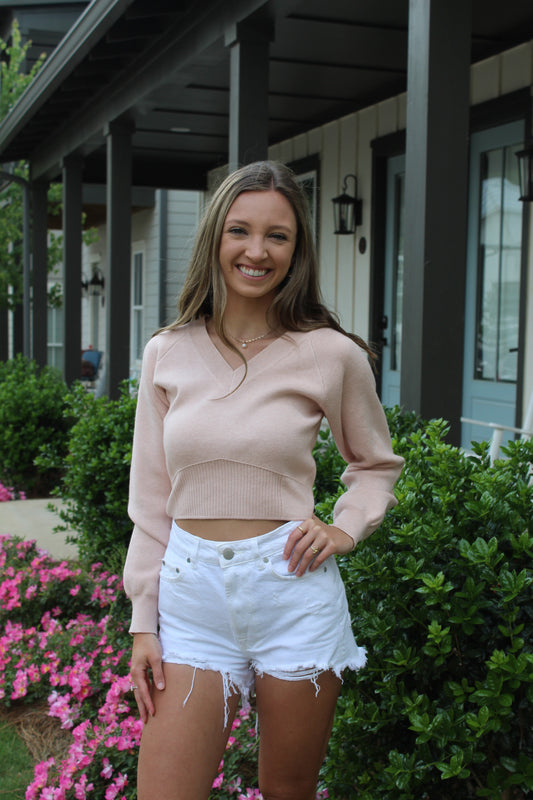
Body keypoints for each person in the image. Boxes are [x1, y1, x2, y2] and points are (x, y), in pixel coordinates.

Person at [123, 160, 404, 800]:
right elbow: (149, 500)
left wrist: (345, 527)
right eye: (239, 230)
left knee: (288, 790)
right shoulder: (166, 351)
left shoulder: (331, 353)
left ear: (297, 248)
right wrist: (144, 620)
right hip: (190, 602)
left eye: (277, 235)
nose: (257, 251)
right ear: (214, 239)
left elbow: (375, 466)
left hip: (292, 595)